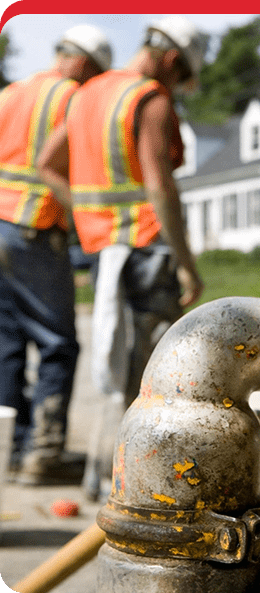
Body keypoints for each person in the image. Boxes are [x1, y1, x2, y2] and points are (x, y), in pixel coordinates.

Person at [38, 15, 206, 500]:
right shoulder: (148, 96)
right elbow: (159, 184)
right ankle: (144, 488)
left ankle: (102, 482)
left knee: (115, 372)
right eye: (179, 77)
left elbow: (50, 167)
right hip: (147, 251)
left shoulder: (87, 93)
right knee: (157, 375)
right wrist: (187, 261)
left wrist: (89, 216)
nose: (175, 87)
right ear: (172, 60)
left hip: (105, 251)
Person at [0, 25, 112, 485]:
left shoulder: (11, 92)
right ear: (85, 63)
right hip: (35, 226)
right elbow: (73, 165)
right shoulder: (73, 98)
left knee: (6, 345)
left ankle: (11, 451)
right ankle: (43, 453)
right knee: (56, 344)